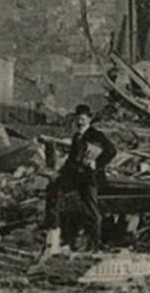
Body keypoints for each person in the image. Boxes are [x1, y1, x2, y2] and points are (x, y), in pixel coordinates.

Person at [42, 104, 116, 256]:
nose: (80, 122)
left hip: (90, 178)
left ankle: (95, 245)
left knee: (92, 211)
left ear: (89, 119)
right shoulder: (76, 137)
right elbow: (71, 160)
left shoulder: (97, 135)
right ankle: (55, 238)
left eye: (82, 119)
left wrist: (97, 163)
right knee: (54, 193)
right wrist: (58, 174)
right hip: (74, 176)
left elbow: (111, 151)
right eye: (77, 119)